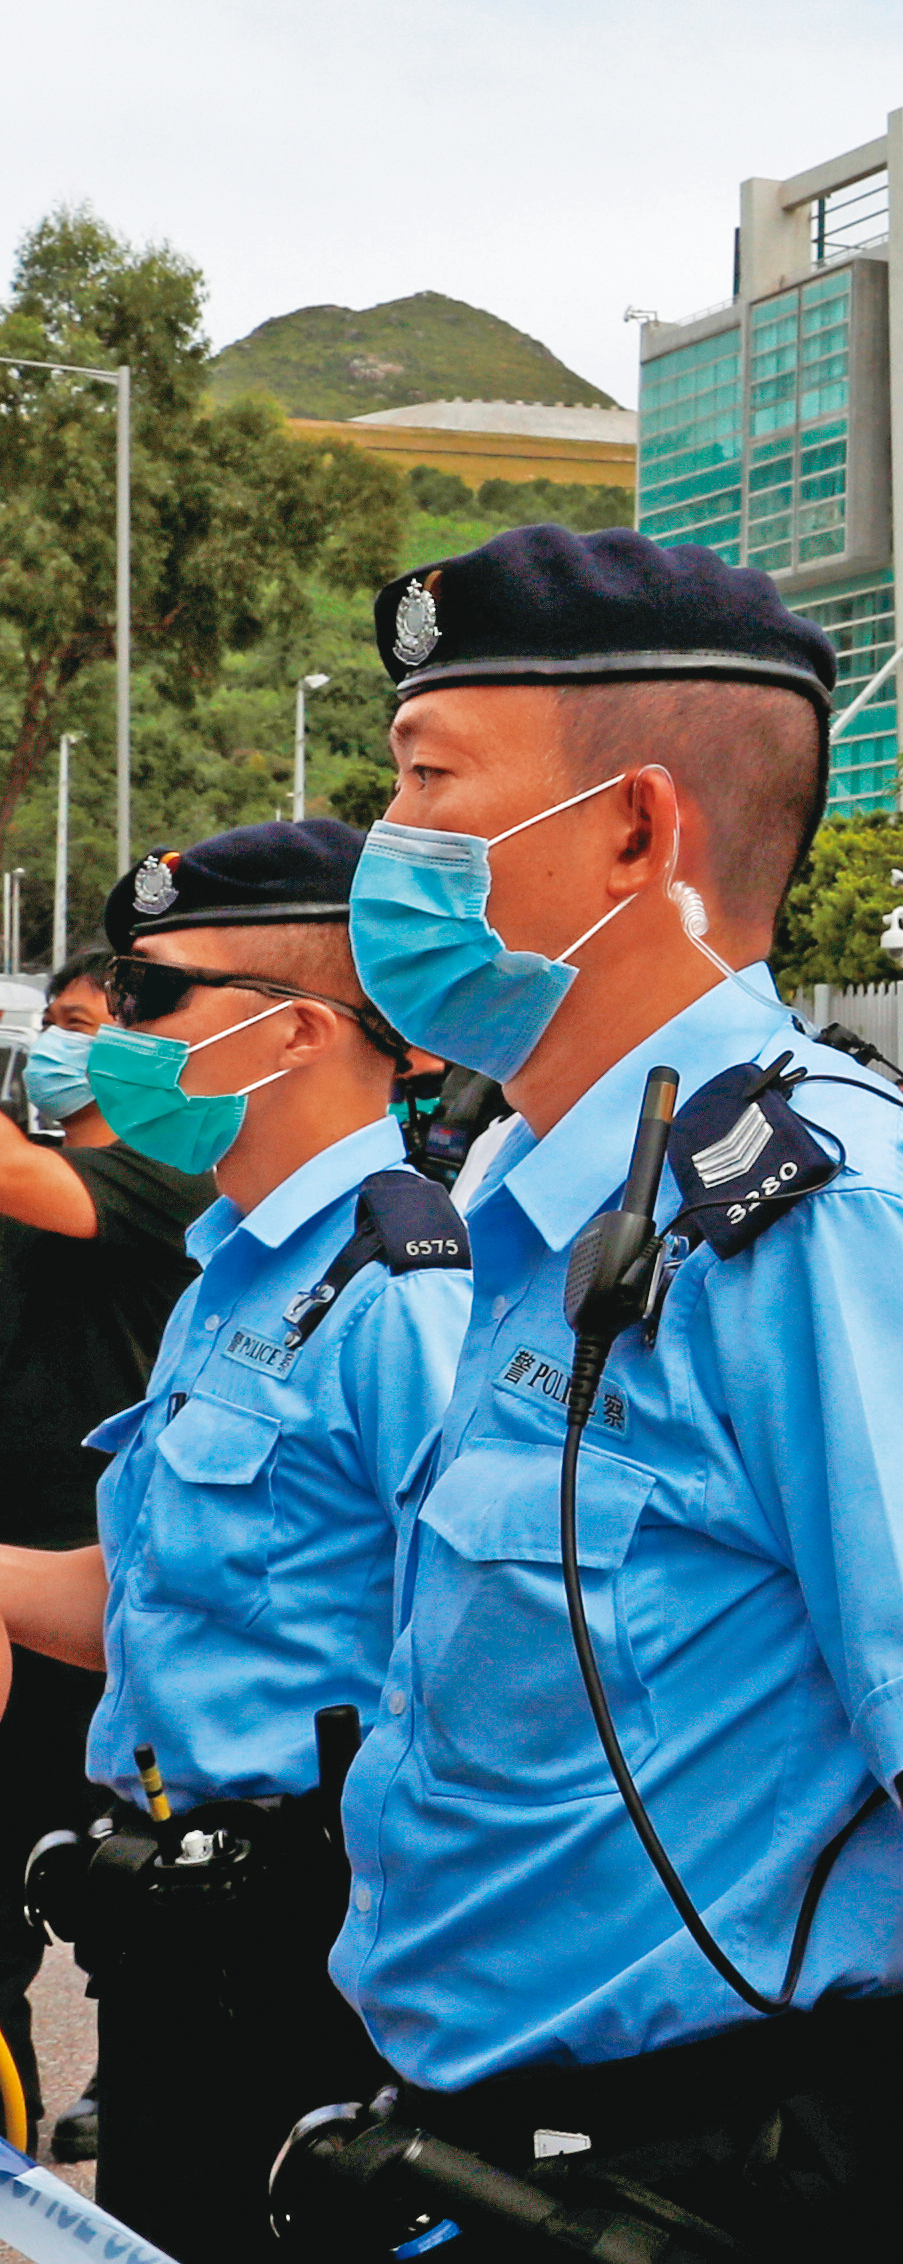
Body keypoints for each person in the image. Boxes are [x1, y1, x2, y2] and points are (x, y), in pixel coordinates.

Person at [285, 523, 903, 2263]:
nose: (388, 849)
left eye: (430, 782)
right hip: (477, 2163)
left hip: (703, 2180)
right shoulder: (541, 1190)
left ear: (633, 830)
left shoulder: (815, 1220)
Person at [0, 823, 471, 2260]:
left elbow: (480, 1673)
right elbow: (133, 1603)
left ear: (299, 1030)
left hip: (318, 1959)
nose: (115, 1038)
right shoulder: (236, 1276)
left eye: (151, 999)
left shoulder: (406, 1296)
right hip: (173, 1941)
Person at [0, 952, 224, 2137]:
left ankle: (120, 2089)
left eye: (84, 1023)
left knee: (98, 1887)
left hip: (92, 1610)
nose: (58, 1042)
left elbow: (20, 1172)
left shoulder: (164, 1179)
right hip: (13, 1591)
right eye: (50, 1021)